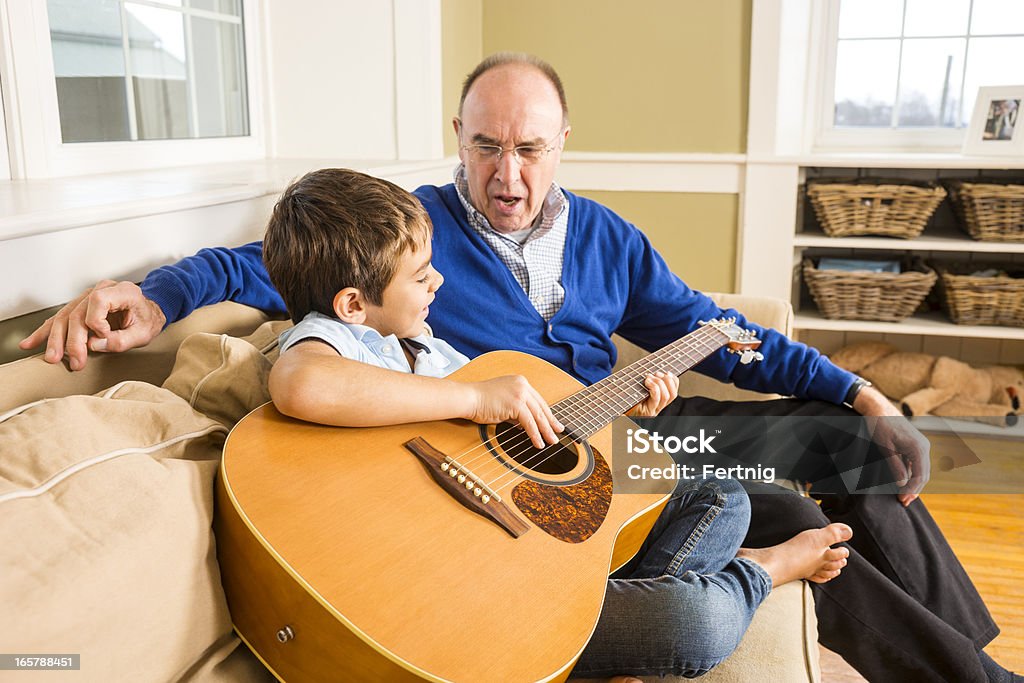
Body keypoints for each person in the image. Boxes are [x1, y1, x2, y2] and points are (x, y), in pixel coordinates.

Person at [21, 53, 1017, 682]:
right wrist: (154, 295)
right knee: (795, 511)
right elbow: (258, 270)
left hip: (634, 430)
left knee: (857, 444)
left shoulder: (609, 241)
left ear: (561, 144)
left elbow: (707, 323)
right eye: (486, 146)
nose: (507, 175)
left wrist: (852, 384)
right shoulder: (408, 237)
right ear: (458, 140)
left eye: (529, 149)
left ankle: (967, 658)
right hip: (527, 461)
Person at [259, 166, 852, 679]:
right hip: (462, 588)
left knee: (720, 493)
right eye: (420, 276)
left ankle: (603, 639)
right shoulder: (336, 339)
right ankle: (760, 570)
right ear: (352, 306)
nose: (437, 281)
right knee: (699, 622)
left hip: (500, 530)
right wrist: (473, 399)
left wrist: (624, 406)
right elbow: (303, 383)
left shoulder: (427, 350)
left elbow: (515, 441)